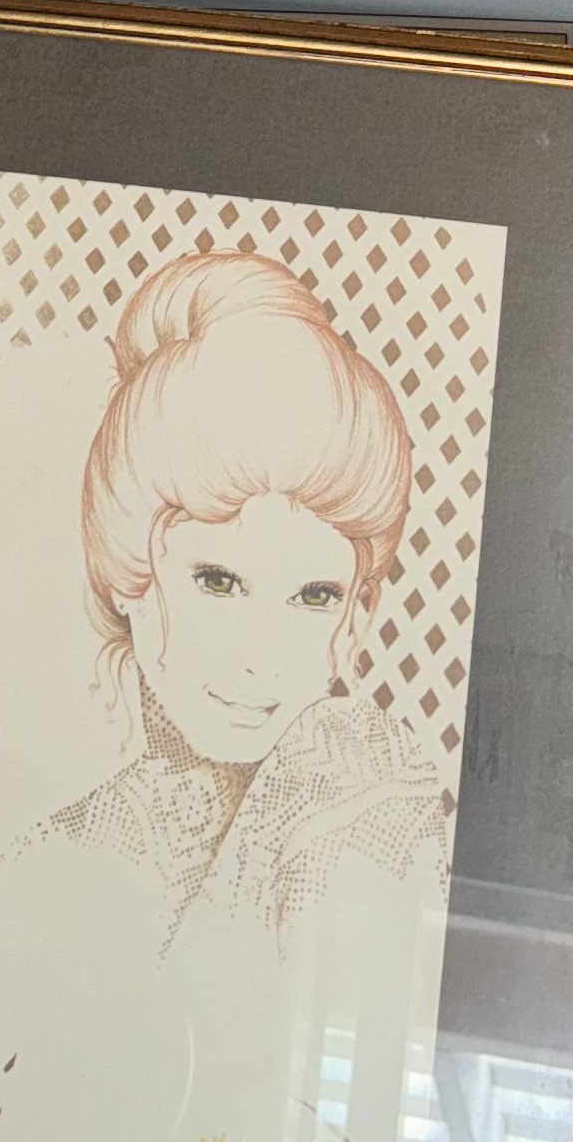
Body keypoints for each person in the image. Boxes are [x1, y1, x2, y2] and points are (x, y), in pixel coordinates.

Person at [35, 248, 449, 950]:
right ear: (129, 576)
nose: (261, 660)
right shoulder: (54, 852)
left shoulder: (361, 781)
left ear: (357, 615)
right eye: (219, 583)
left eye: (314, 596)